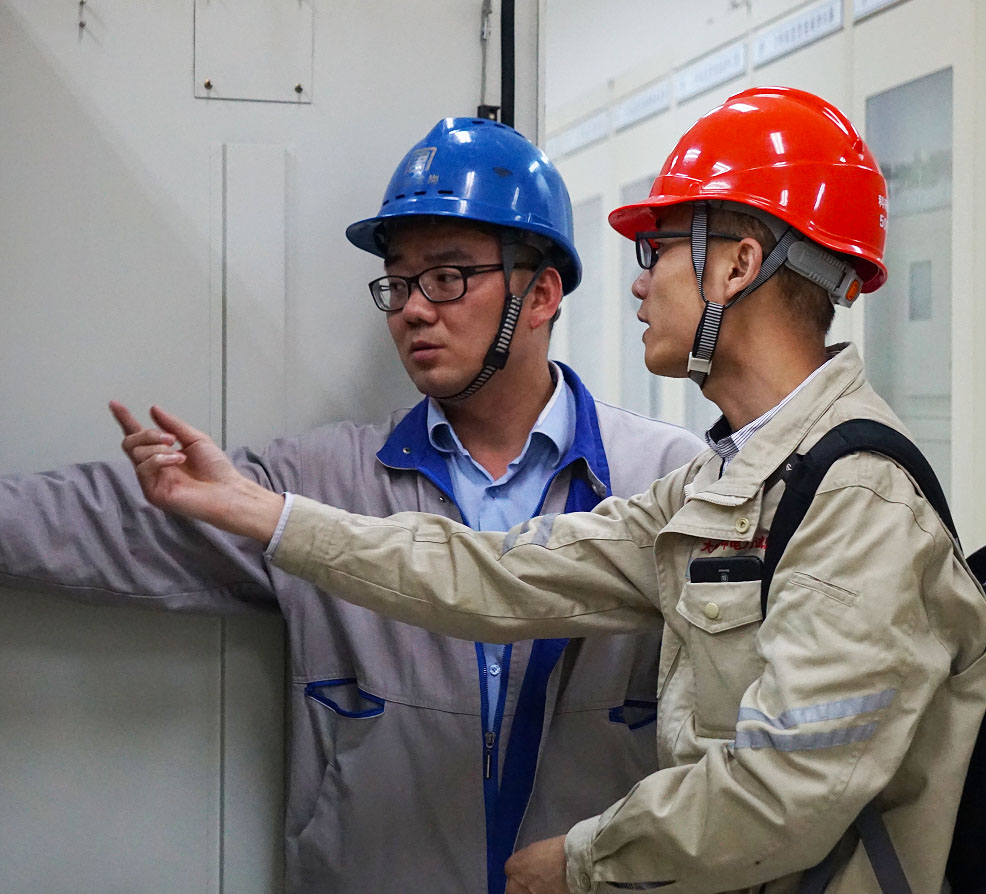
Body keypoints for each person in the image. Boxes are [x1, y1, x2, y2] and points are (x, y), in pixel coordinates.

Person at [109, 88, 986, 893]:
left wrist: (584, 862)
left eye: (657, 249)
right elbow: (503, 573)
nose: (639, 281)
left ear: (737, 266)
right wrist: (260, 511)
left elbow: (786, 791)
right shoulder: (727, 482)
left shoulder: (860, 501)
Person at [0, 117, 704, 893]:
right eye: (398, 284)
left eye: (446, 277)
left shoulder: (663, 480)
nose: (412, 310)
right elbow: (108, 520)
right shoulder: (325, 483)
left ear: (539, 294)